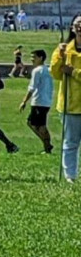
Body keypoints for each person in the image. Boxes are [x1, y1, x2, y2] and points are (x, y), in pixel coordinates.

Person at [51, 15, 81, 183]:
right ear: (72, 28)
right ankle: (70, 176)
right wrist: (58, 57)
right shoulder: (65, 50)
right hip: (70, 105)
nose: (80, 27)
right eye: (77, 24)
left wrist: (74, 73)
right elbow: (56, 74)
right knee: (70, 142)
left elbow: (70, 73)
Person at [21, 48, 54, 154]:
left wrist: (24, 101)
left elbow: (32, 87)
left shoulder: (37, 71)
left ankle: (47, 145)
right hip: (46, 101)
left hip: (39, 101)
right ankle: (47, 145)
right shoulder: (47, 70)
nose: (32, 59)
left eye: (34, 57)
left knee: (37, 124)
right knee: (35, 123)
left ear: (41, 58)